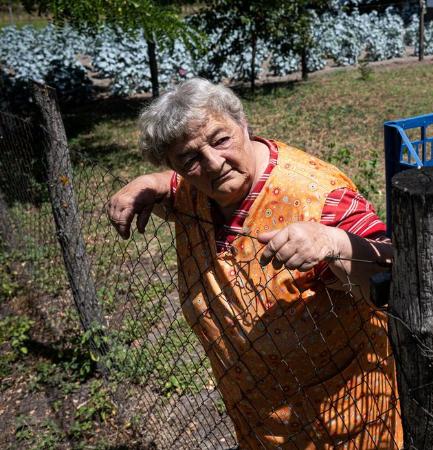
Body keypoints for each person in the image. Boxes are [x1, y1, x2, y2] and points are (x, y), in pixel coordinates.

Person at [107, 78, 402, 449]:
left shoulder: (318, 196)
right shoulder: (192, 193)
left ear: (243, 124)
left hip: (347, 425)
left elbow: (392, 269)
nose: (214, 163)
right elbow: (176, 183)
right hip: (256, 423)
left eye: (221, 140)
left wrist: (333, 242)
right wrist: (152, 181)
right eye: (190, 159)